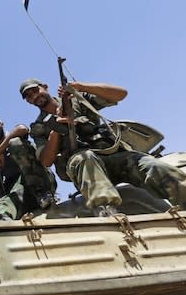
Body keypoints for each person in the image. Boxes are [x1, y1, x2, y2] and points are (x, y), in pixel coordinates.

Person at [19, 78, 186, 216]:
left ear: (45, 87)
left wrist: (79, 87)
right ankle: (107, 213)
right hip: (86, 168)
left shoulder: (77, 100)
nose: (34, 96)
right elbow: (46, 160)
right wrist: (56, 128)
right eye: (28, 96)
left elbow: (120, 94)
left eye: (35, 91)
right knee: (85, 158)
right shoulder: (39, 127)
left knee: (153, 165)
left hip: (114, 156)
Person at [0, 115, 57, 220]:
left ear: (2, 124)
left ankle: (40, 193)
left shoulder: (15, 136)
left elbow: (22, 129)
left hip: (42, 183)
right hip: (21, 193)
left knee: (14, 143)